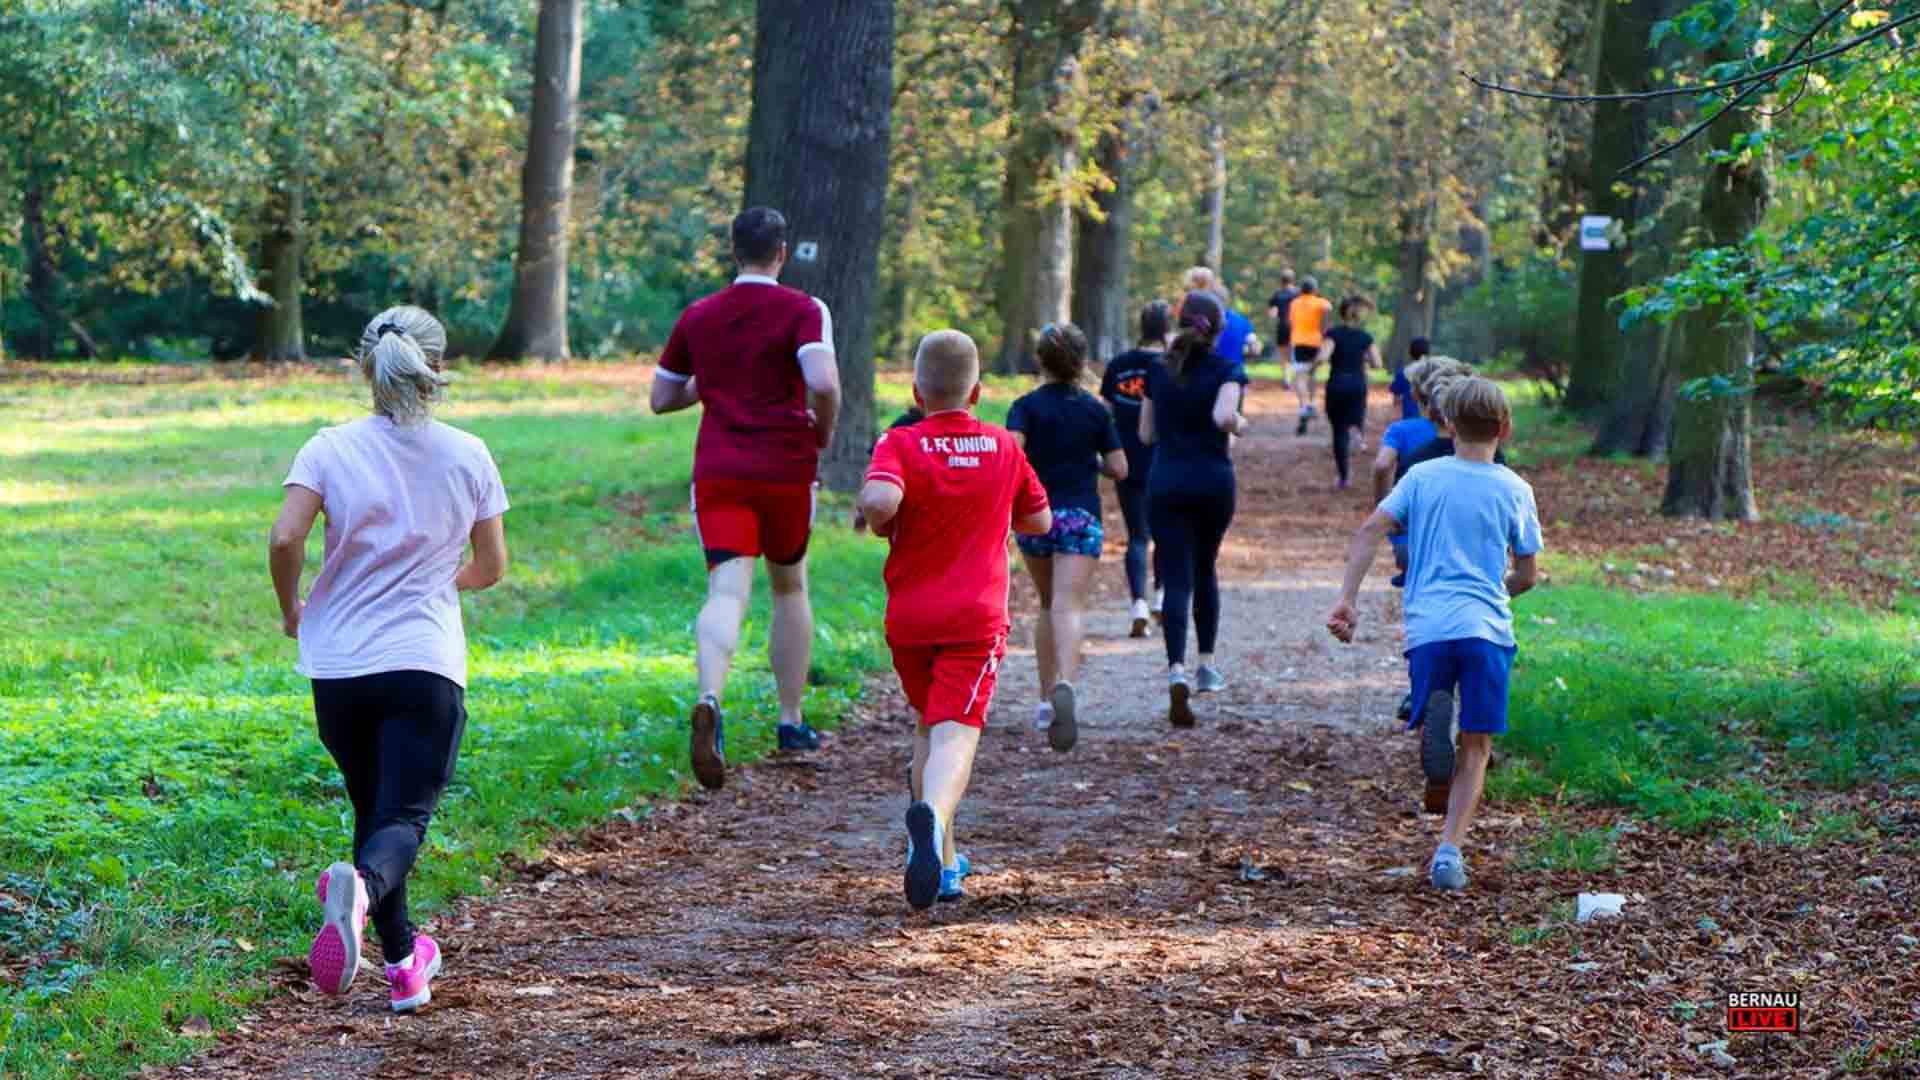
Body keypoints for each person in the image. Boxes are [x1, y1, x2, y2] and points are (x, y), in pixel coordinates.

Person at [270, 307, 510, 1012]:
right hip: (422, 663)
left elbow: (285, 538)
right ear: (437, 366)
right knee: (402, 820)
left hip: (339, 669)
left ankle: (404, 967)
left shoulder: (327, 448)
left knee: (376, 814)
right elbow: (491, 565)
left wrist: (291, 609)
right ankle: (364, 895)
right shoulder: (468, 453)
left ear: (364, 368)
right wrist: (439, 579)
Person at [859, 330, 1052, 910]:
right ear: (977, 392)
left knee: (928, 727)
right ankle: (933, 818)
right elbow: (1040, 521)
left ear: (917, 392)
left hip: (910, 619)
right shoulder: (1004, 446)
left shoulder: (899, 442)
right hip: (974, 620)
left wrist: (882, 518)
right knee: (956, 735)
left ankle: (942, 864)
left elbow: (879, 503)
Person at [1326, 377, 1541, 892]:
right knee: (1479, 744)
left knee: (1434, 703)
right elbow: (1527, 574)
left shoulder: (1421, 477)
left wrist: (1348, 599)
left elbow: (1370, 530)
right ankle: (1449, 853)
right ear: (1505, 429)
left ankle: (1434, 722)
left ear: (1446, 425)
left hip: (1429, 625)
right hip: (1486, 628)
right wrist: (1495, 592)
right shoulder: (1515, 488)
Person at [651, 207, 842, 788]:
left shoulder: (699, 315)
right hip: (785, 468)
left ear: (733, 250)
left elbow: (662, 398)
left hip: (720, 470)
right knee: (789, 587)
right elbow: (823, 381)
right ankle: (791, 720)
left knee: (727, 591)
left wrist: (711, 382)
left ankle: (710, 697)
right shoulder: (805, 310)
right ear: (781, 252)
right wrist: (823, 430)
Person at [1009, 323, 1127, 751]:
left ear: (1040, 360)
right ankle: (1068, 685)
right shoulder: (1095, 410)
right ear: (1081, 361)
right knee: (1069, 605)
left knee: (1046, 604)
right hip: (1080, 516)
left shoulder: (1024, 407)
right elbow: (1120, 468)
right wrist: (1090, 461)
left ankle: (1045, 701)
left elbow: (1012, 454)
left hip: (1036, 516)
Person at [1140, 292, 1250, 727]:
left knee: (1175, 576)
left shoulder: (1158, 370)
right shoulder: (1227, 370)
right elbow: (1224, 417)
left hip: (1165, 481)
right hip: (1212, 482)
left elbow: (1146, 434)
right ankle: (1206, 665)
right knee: (1205, 568)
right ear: (1219, 329)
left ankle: (1175, 671)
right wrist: (1240, 423)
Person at [1100, 302, 1172, 637]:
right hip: (1166, 459)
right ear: (1167, 328)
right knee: (1166, 533)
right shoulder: (1172, 364)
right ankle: (1161, 598)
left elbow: (1105, 414)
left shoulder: (1119, 366)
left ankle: (1138, 605)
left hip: (1127, 459)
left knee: (1137, 537)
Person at [1316, 295, 1382, 490]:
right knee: (1355, 417)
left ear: (1341, 313)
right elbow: (1377, 363)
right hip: (1357, 384)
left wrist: (1311, 368)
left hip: (1337, 383)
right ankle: (1357, 431)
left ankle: (1344, 477)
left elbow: (1322, 357)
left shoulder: (1333, 334)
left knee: (1338, 432)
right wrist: (1363, 358)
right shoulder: (1365, 337)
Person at [1287, 279, 1334, 435]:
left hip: (1299, 342)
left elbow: (1291, 322)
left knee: (1301, 377)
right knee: (1312, 374)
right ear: (1315, 289)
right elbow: (1328, 311)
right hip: (1315, 342)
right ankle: (1312, 403)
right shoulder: (1321, 303)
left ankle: (1303, 406)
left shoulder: (1294, 303)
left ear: (1301, 289)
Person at [1389, 337, 1431, 423]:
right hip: (1431, 419)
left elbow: (1396, 399)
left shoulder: (1403, 372)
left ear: (1410, 353)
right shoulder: (1433, 372)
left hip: (1410, 418)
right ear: (1427, 352)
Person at [1267, 268, 1300, 363]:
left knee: (1283, 353)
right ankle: (1295, 369)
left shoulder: (1277, 294)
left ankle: (1286, 372)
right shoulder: (1298, 293)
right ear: (1293, 280)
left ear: (1281, 281)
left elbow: (1272, 313)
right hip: (1296, 325)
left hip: (1283, 325)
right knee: (1295, 351)